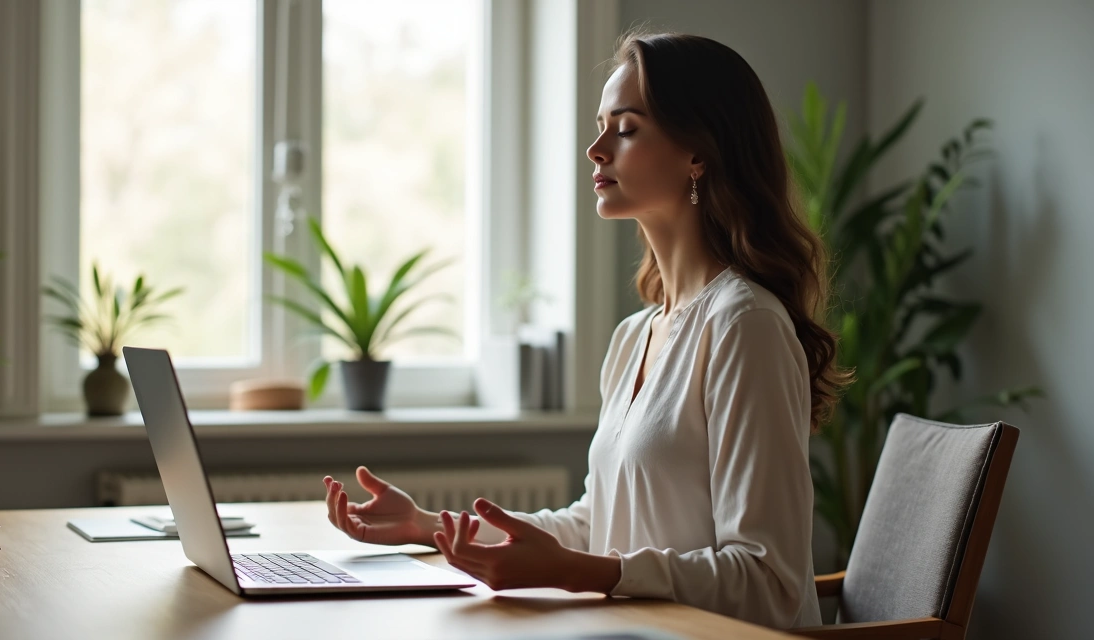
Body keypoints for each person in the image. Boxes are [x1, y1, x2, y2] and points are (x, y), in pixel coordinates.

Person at [320, 31, 847, 629]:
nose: (596, 149)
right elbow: (599, 523)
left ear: (699, 152)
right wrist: (429, 526)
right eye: (600, 126)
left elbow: (769, 582)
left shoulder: (744, 327)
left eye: (625, 128)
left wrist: (577, 573)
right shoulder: (634, 337)